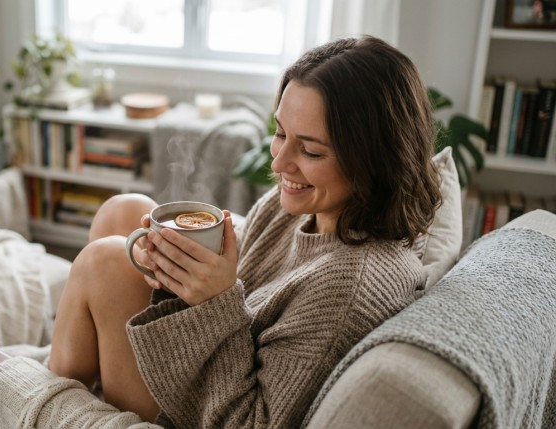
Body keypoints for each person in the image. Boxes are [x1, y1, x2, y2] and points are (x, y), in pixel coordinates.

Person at [47, 35, 442, 427]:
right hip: (207, 365)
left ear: (374, 159)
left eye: (311, 151)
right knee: (125, 210)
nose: (281, 162)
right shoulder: (302, 207)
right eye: (282, 133)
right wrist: (179, 273)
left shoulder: (348, 289)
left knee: (105, 264)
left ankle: (46, 400)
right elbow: (246, 286)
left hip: (200, 412)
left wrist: (216, 300)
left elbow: (252, 422)